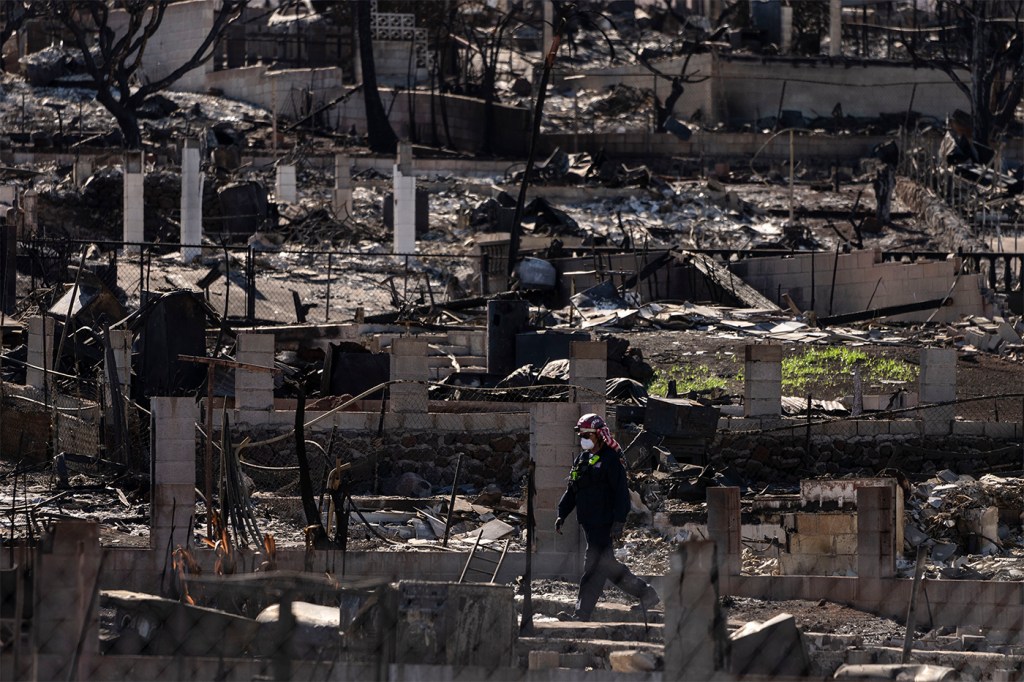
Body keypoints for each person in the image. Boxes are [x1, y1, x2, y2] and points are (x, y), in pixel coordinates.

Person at [554, 413, 660, 621]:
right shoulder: (582, 460)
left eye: (587, 434)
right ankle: (647, 594)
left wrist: (619, 521)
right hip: (589, 524)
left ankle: (581, 614)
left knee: (593, 567)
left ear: (600, 436)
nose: (583, 438)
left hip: (604, 523)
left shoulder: (611, 461)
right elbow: (572, 490)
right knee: (608, 566)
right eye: (581, 434)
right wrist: (562, 513)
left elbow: (621, 494)